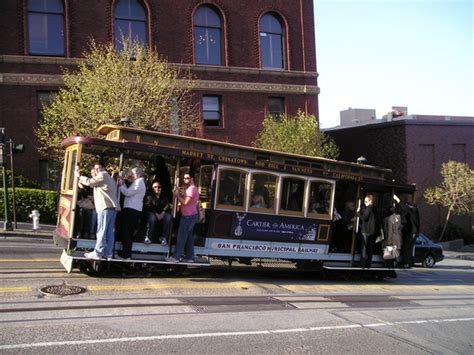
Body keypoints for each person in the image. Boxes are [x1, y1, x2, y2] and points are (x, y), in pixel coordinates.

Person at [75, 163, 119, 260]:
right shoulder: (109, 178)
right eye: (96, 168)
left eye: (99, 168)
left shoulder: (102, 175)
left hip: (105, 207)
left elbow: (90, 182)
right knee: (109, 232)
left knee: (101, 230)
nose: (97, 170)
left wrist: (79, 176)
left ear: (103, 168)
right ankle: (108, 253)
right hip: (112, 208)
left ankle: (98, 252)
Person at [166, 173, 199, 263]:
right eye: (184, 178)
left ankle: (176, 257)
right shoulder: (189, 188)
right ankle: (190, 257)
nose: (185, 180)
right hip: (189, 216)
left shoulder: (191, 189)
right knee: (188, 237)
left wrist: (177, 195)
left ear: (191, 178)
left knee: (181, 236)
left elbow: (185, 202)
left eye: (187, 178)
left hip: (189, 216)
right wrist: (180, 193)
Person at [116, 167, 146, 259]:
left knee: (128, 232)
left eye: (133, 174)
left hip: (133, 210)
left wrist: (121, 185)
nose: (131, 175)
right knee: (126, 231)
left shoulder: (139, 182)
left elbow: (128, 193)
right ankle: (125, 253)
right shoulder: (137, 182)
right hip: (131, 209)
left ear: (138, 174)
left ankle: (126, 255)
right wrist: (123, 183)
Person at [143, 181, 172, 246]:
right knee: (152, 218)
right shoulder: (149, 196)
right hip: (152, 213)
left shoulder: (164, 197)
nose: (157, 188)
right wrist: (156, 214)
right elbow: (148, 206)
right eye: (155, 187)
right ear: (152, 188)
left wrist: (163, 213)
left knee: (168, 217)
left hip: (161, 214)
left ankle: (163, 238)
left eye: (159, 187)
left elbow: (167, 205)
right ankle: (148, 237)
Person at [357, 194, 377, 268]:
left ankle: (362, 264)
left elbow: (364, 218)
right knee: (370, 248)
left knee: (364, 247)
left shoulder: (369, 208)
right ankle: (369, 264)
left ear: (370, 201)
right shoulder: (375, 209)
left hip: (366, 231)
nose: (365, 203)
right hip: (372, 231)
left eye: (366, 201)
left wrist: (358, 213)